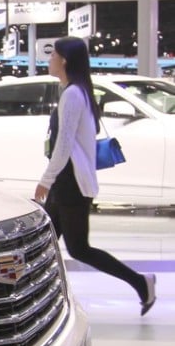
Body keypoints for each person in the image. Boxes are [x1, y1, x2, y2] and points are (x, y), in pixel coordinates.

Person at [34, 36, 157, 316]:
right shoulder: (76, 91)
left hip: (69, 183)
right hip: (67, 183)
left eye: (53, 55)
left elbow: (63, 145)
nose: (49, 59)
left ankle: (141, 282)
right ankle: (44, 303)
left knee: (78, 249)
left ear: (64, 60)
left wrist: (46, 179)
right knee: (45, 244)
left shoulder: (74, 94)